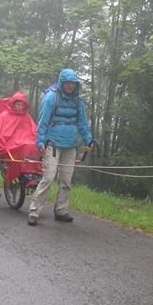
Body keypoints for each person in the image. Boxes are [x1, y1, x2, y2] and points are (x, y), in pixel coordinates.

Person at [27, 69, 93, 226]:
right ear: (61, 83)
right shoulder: (51, 97)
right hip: (53, 144)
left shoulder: (78, 100)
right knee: (48, 177)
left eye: (72, 83)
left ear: (75, 84)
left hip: (70, 145)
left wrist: (88, 140)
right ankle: (34, 211)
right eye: (67, 83)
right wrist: (40, 142)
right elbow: (43, 121)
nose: (69, 86)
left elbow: (83, 123)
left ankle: (61, 211)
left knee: (66, 180)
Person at [0, 91, 41, 184]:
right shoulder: (4, 115)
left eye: (22, 105)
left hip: (25, 141)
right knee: (26, 146)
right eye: (18, 105)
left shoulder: (26, 116)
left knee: (33, 146)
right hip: (10, 144)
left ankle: (32, 173)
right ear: (13, 104)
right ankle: (25, 174)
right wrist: (2, 143)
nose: (20, 107)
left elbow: (33, 130)